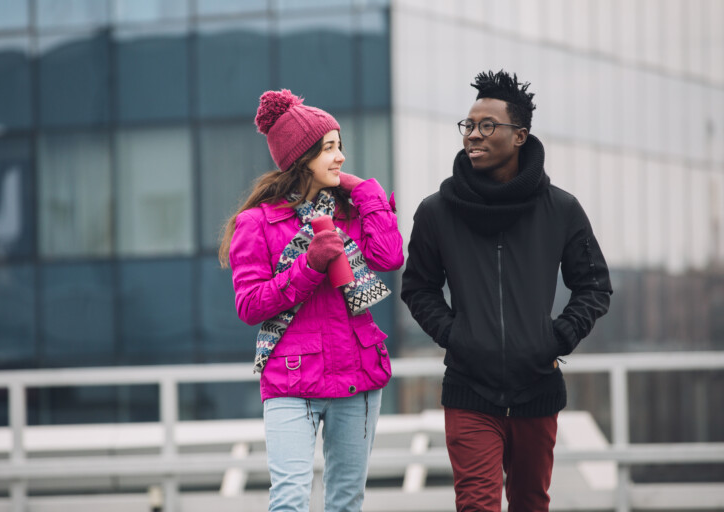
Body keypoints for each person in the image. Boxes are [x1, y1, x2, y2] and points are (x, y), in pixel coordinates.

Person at [400, 70, 612, 511]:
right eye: (469, 125)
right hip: (469, 389)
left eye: (487, 125)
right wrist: (455, 335)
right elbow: (418, 287)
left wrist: (556, 338)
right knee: (476, 505)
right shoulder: (436, 212)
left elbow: (593, 285)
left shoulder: (561, 209)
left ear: (520, 136)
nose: (473, 135)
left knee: (531, 503)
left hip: (537, 388)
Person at [218, 89, 403, 512]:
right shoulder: (256, 223)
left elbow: (390, 257)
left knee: (346, 502)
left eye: (340, 146)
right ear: (302, 158)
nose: (341, 158)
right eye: (330, 148)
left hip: (357, 375)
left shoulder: (351, 211)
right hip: (290, 382)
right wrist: (310, 264)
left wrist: (367, 193)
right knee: (289, 500)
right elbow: (250, 305)